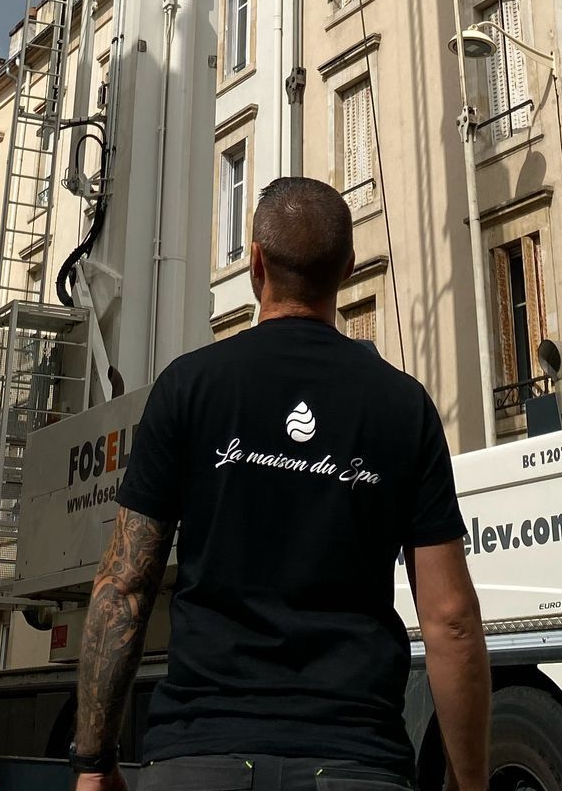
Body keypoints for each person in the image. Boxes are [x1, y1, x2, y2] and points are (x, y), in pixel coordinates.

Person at [68, 175, 490, 791]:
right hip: (355, 759)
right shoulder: (404, 408)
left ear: (256, 264)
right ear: (348, 267)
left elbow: (124, 588)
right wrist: (470, 782)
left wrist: (93, 762)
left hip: (198, 754)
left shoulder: (189, 389)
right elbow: (451, 619)